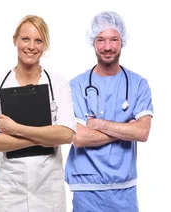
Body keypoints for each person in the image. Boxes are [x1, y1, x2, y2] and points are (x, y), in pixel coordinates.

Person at [0, 15, 76, 212]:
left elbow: (66, 135)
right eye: (25, 39)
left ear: (45, 45)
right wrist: (46, 138)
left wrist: (15, 129)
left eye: (38, 41)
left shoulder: (58, 83)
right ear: (15, 40)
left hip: (49, 189)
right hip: (12, 190)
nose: (31, 46)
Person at [63, 11, 153, 212]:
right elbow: (78, 138)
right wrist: (125, 129)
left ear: (122, 41)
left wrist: (97, 124)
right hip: (86, 188)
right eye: (101, 39)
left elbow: (142, 133)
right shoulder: (77, 86)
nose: (108, 47)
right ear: (93, 42)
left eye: (114, 39)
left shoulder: (138, 84)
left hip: (125, 188)